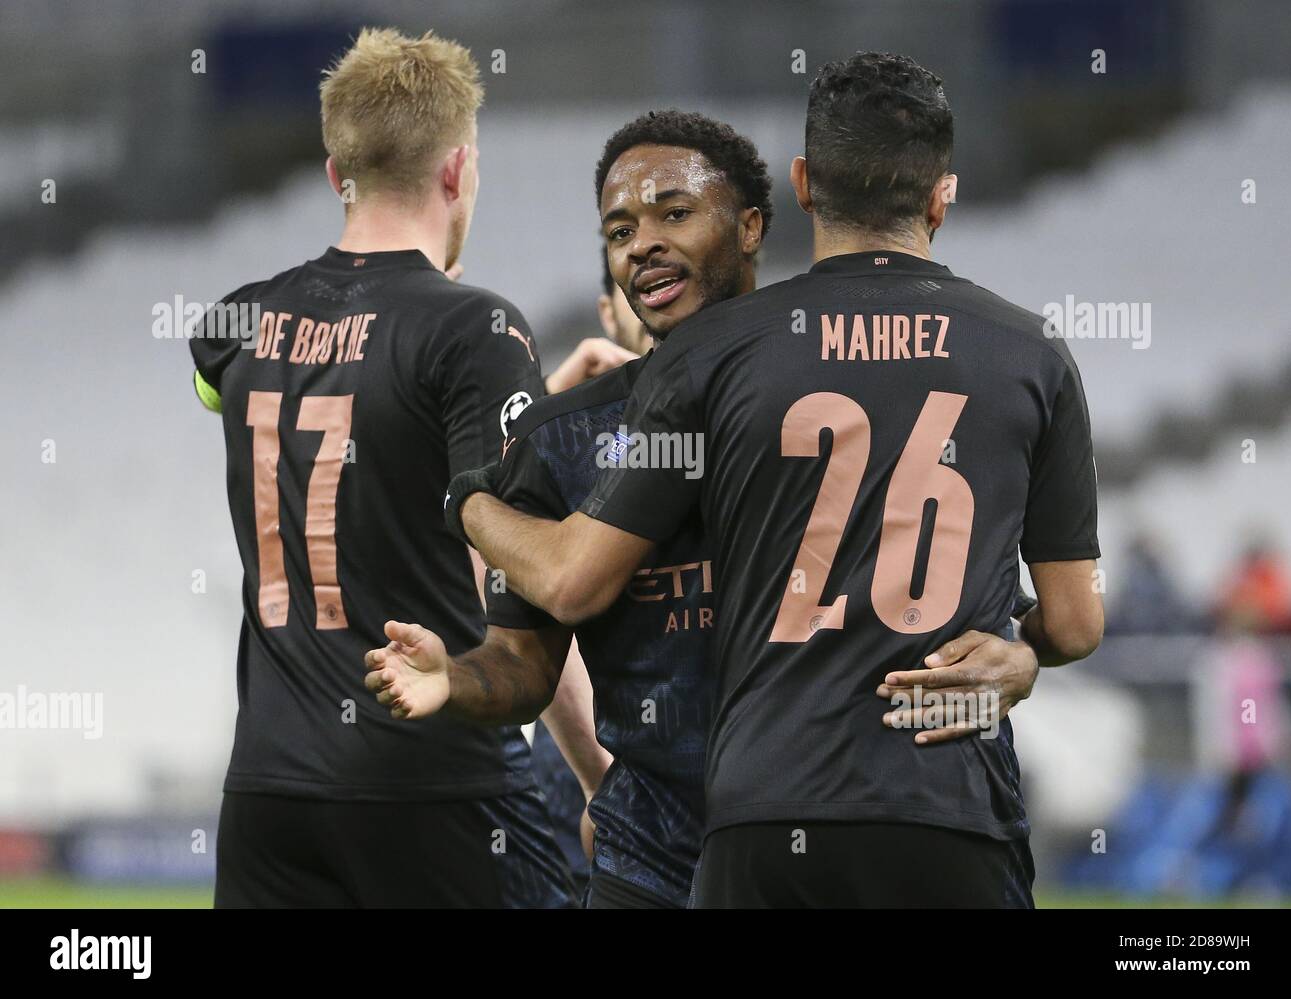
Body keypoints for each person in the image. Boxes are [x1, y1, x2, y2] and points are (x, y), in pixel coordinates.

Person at [436, 52, 1105, 907]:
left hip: (763, 814)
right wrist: (1016, 649)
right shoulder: (1033, 352)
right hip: (951, 806)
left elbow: (572, 575)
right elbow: (1079, 622)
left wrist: (466, 495)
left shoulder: (714, 357)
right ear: (943, 195)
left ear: (799, 186)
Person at [189, 27, 580, 907]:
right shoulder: (472, 330)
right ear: (457, 170)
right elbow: (509, 533)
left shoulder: (234, 324)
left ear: (337, 175)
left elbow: (276, 387)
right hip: (436, 784)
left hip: (269, 794)